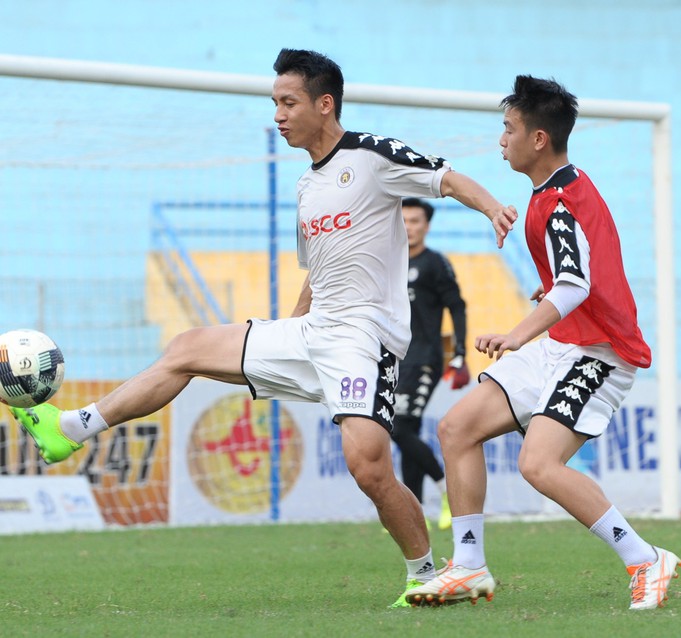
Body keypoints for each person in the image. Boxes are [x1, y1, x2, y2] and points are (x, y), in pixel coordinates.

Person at [9, 48, 517, 609]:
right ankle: (69, 430)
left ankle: (425, 574)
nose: (277, 113)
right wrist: (288, 332)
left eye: (288, 102)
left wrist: (493, 208)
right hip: (314, 331)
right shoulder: (307, 187)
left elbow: (447, 179)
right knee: (186, 348)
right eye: (274, 102)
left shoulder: (372, 155)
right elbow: (316, 271)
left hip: (362, 340)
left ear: (325, 105)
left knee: (368, 466)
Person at [406, 75, 681, 610]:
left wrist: (516, 333)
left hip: (599, 352)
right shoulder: (556, 191)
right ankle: (468, 567)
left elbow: (577, 282)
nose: (500, 139)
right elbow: (579, 270)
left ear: (538, 139)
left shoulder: (556, 201)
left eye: (508, 129)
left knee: (538, 465)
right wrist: (553, 288)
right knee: (457, 428)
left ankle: (646, 559)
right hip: (562, 342)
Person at [393, 197, 470, 531]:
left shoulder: (435, 263)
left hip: (424, 358)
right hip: (394, 359)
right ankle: (414, 511)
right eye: (404, 221)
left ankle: (445, 489)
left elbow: (457, 306)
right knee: (405, 429)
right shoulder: (388, 263)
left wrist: (461, 352)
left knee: (399, 427)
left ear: (426, 226)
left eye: (415, 221)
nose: (409, 227)